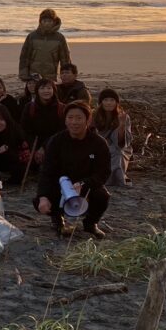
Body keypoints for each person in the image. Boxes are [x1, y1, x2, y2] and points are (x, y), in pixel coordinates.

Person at [35, 101, 111, 239]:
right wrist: (43, 196)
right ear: (65, 120)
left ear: (88, 120)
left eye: (79, 118)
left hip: (86, 185)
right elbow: (47, 171)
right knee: (41, 199)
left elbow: (103, 173)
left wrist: (84, 183)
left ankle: (90, 223)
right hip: (60, 184)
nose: (74, 122)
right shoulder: (56, 141)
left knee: (102, 196)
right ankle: (58, 220)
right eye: (70, 118)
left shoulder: (98, 143)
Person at [93, 88, 133, 187]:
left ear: (116, 103)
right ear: (101, 102)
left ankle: (117, 179)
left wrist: (122, 125)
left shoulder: (123, 116)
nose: (109, 103)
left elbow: (122, 143)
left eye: (112, 100)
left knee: (117, 152)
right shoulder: (93, 115)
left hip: (119, 147)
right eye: (106, 100)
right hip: (98, 146)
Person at [20, 78, 65, 165]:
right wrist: (35, 149)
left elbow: (61, 131)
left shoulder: (61, 108)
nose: (46, 91)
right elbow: (25, 129)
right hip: (34, 143)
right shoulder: (29, 107)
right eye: (42, 88)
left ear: (54, 90)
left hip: (55, 143)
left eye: (49, 88)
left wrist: (44, 147)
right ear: (37, 91)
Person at [19, 8, 71, 81]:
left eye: (49, 21)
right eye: (44, 21)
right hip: (33, 75)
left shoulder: (59, 38)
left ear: (54, 22)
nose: (47, 23)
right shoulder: (32, 36)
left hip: (51, 76)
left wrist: (67, 76)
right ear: (40, 22)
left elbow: (65, 59)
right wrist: (24, 74)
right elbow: (24, 56)